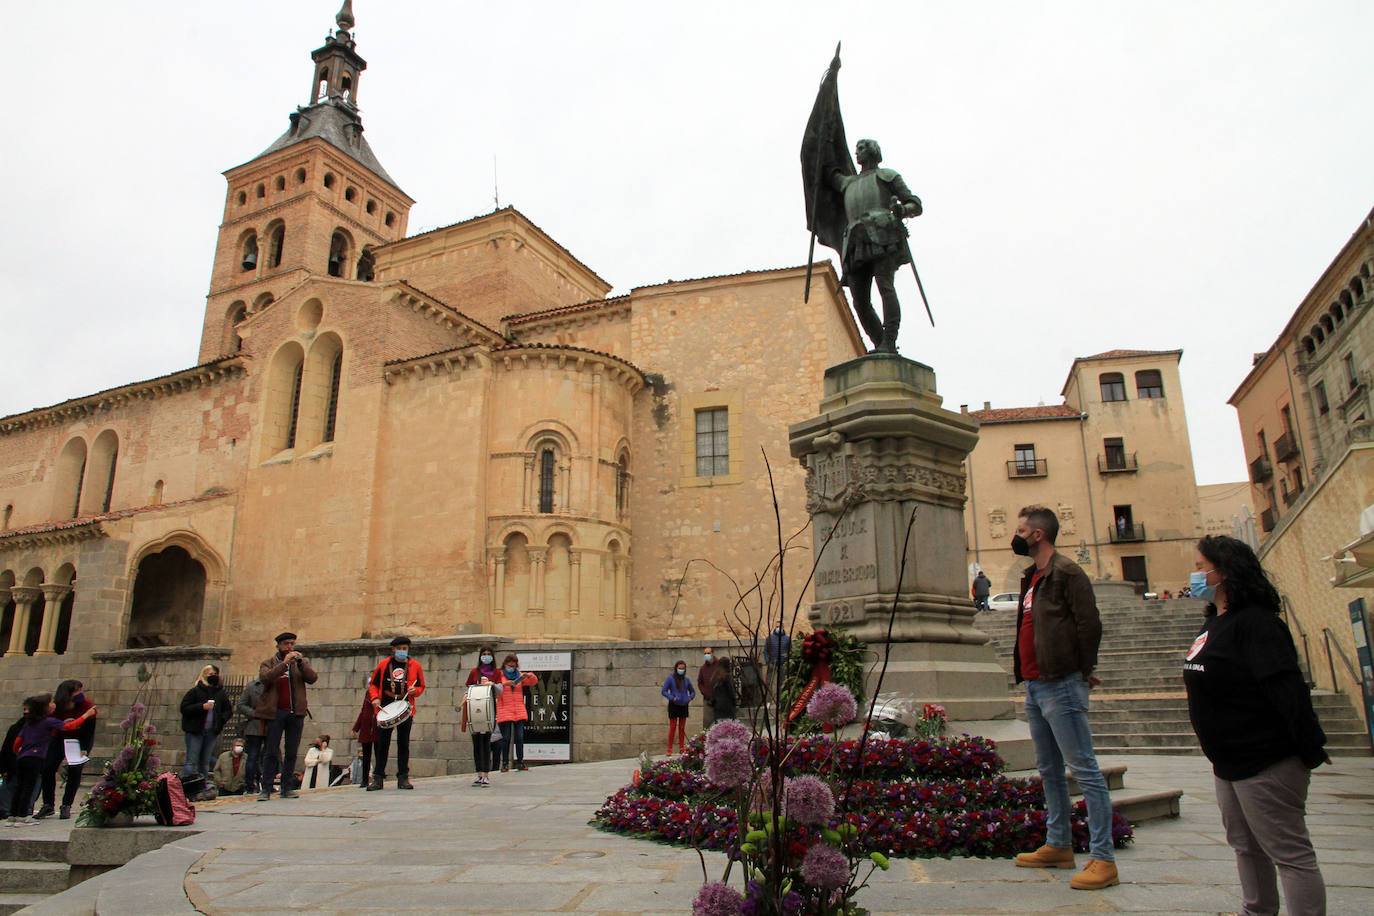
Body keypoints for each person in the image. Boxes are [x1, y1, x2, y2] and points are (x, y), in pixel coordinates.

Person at [1184, 535, 1328, 916]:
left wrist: (1307, 749)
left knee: (1289, 853)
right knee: (1246, 846)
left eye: (1201, 567)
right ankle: (1257, 910)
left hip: (1265, 758)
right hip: (1227, 762)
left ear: (1224, 572)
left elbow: (1287, 688)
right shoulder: (1215, 622)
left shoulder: (1258, 624)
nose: (1195, 575)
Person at [1008, 505, 1117, 891]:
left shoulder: (1067, 572)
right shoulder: (1032, 577)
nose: (1016, 535)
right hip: (1036, 685)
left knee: (1084, 770)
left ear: (1038, 535)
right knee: (1049, 770)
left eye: (1021, 529)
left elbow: (1090, 623)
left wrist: (1083, 670)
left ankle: (1103, 859)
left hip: (1061, 683)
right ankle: (1058, 844)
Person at [255, 631, 318, 801]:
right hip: (276, 713)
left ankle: (286, 787)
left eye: (292, 644)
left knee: (291, 751)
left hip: (295, 713)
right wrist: (283, 664)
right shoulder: (268, 663)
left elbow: (312, 678)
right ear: (278, 646)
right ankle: (266, 788)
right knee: (271, 751)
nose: (289, 647)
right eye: (286, 644)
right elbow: (265, 678)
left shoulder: (299, 664)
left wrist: (301, 664)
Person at [11, 695, 91, 826]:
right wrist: (86, 715)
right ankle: (23, 815)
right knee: (28, 788)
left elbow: (17, 742)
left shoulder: (28, 724)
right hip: (35, 758)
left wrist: (16, 752)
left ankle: (12, 815)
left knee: (19, 787)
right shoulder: (48, 722)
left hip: (22, 758)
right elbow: (70, 726)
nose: (54, 704)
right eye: (51, 702)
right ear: (45, 708)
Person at [366, 636, 425, 790]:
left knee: (403, 743)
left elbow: (421, 686)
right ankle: (378, 778)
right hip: (386, 705)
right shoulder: (384, 665)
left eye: (405, 649)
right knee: (382, 743)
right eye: (399, 649)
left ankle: (403, 777)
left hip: (405, 706)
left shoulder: (415, 666)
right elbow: (373, 684)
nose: (402, 652)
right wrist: (375, 699)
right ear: (393, 650)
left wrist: (415, 691)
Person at [39, 679, 98, 819]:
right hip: (59, 738)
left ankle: (66, 805)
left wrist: (84, 748)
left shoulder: (85, 704)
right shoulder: (57, 707)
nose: (80, 694)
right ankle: (48, 804)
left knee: (75, 770)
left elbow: (90, 727)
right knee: (47, 768)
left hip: (80, 740)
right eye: (76, 691)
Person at [179, 665, 231, 793]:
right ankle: (187, 787)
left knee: (205, 762)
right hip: (195, 730)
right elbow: (184, 708)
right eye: (209, 673)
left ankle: (203, 787)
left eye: (214, 673)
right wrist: (202, 707)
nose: (211, 675)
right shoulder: (195, 691)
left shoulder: (220, 693)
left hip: (211, 731)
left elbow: (228, 710)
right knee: (191, 761)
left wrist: (220, 721)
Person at [462, 646, 501, 787]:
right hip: (475, 711)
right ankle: (479, 773)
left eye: (488, 654)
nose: (486, 656)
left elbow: (500, 690)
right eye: (484, 654)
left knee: (486, 743)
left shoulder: (496, 672)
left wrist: (493, 685)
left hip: (489, 710)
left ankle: (486, 774)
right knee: (476, 744)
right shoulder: (474, 672)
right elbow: (468, 688)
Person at [494, 653, 538, 773]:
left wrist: (528, 675)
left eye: (513, 666)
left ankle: (520, 761)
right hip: (505, 710)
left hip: (518, 710)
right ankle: (505, 764)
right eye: (509, 665)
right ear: (505, 664)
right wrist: (504, 684)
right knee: (506, 738)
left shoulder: (518, 674)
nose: (511, 668)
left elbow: (534, 681)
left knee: (519, 737)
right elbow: (492, 687)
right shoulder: (499, 675)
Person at [236, 677, 267, 795]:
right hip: (255, 725)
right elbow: (241, 705)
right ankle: (249, 785)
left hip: (271, 725)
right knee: (252, 757)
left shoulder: (275, 685)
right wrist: (254, 713)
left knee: (269, 755)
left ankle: (266, 783)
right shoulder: (251, 686)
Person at [661, 659, 696, 756]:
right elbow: (664, 691)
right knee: (672, 727)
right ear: (676, 669)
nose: (681, 670)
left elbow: (693, 691)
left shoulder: (686, 680)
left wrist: (690, 698)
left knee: (681, 728)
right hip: (674, 705)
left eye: (683, 669)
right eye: (679, 668)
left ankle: (681, 747)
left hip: (684, 705)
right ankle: (669, 748)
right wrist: (671, 698)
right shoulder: (670, 678)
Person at [350, 692, 378, 790]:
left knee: (379, 755)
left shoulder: (381, 692)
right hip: (366, 730)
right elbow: (363, 712)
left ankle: (378, 778)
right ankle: (364, 780)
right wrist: (355, 728)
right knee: (366, 756)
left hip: (377, 728)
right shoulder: (368, 694)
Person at [763, 626, 791, 698]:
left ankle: (781, 698)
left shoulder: (787, 639)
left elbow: (790, 651)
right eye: (777, 626)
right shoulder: (769, 639)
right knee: (769, 682)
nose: (779, 628)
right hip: (772, 663)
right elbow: (765, 651)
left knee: (782, 683)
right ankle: (768, 699)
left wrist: (787, 661)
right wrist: (768, 662)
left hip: (783, 664)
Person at [708, 657, 738, 722]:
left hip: (717, 707)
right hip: (727, 707)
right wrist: (735, 702)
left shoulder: (714, 677)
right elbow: (731, 692)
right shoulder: (727, 677)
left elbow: (713, 692)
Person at [698, 648, 720, 732]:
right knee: (707, 723)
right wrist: (705, 692)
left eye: (708, 653)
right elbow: (700, 682)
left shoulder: (719, 665)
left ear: (713, 653)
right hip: (708, 699)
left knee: (719, 722)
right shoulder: (703, 668)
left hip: (719, 699)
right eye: (705, 653)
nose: (707, 655)